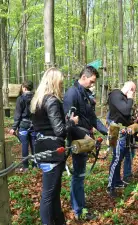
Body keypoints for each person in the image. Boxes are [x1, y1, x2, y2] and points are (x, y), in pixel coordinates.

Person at [30, 67, 81, 225]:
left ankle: (59, 221)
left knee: (53, 192)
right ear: (54, 82)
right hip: (52, 151)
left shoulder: (37, 100)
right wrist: (72, 122)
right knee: (49, 194)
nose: (62, 85)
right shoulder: (51, 100)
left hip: (41, 149)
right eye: (60, 82)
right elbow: (59, 131)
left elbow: (44, 126)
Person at [63, 65, 108, 220]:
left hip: (86, 138)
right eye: (91, 81)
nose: (92, 84)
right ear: (83, 77)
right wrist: (84, 136)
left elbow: (92, 118)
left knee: (80, 175)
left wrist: (106, 131)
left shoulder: (86, 95)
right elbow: (68, 123)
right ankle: (79, 211)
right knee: (78, 175)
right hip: (78, 140)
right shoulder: (71, 93)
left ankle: (78, 205)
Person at [106, 81, 136, 197]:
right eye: (133, 90)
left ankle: (117, 181)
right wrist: (130, 98)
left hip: (123, 132)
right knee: (116, 158)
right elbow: (125, 110)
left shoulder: (121, 97)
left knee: (121, 157)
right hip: (116, 131)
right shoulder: (115, 94)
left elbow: (126, 115)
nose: (133, 94)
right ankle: (110, 186)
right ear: (130, 89)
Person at [9, 80, 36, 172]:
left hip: (23, 125)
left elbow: (17, 115)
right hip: (34, 125)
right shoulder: (36, 98)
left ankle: (25, 167)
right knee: (34, 146)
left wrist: (14, 128)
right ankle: (35, 165)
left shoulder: (20, 99)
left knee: (25, 145)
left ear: (24, 88)